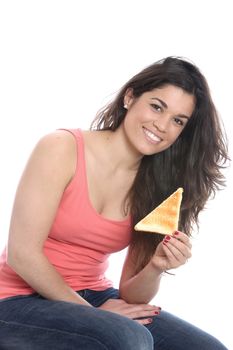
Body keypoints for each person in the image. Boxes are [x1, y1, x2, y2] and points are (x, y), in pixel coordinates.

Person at [0, 56, 229, 350]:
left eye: (177, 121)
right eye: (157, 106)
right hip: (16, 300)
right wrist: (89, 311)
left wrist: (156, 267)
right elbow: (22, 255)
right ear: (130, 97)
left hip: (95, 296)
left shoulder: (157, 185)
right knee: (128, 338)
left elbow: (133, 296)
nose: (161, 125)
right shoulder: (61, 148)